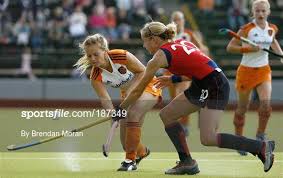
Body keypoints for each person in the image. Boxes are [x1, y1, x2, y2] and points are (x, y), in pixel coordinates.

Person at [118, 21, 275, 175]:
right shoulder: (181, 42)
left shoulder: (158, 58)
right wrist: (173, 79)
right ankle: (187, 162)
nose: (144, 46)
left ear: (153, 39)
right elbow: (199, 66)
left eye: (145, 41)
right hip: (202, 83)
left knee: (208, 138)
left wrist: (121, 108)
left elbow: (139, 89)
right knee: (167, 115)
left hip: (215, 86)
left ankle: (260, 147)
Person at [74, 34, 162, 171]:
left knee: (132, 114)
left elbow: (142, 72)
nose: (92, 59)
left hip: (148, 85)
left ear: (105, 50)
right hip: (127, 96)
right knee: (126, 144)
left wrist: (130, 94)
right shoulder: (95, 76)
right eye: (89, 56)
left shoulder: (120, 56)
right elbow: (105, 99)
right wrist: (113, 114)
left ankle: (129, 162)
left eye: (96, 54)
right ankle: (142, 152)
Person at [226, 0, 283, 156]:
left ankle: (260, 134)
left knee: (265, 105)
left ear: (268, 12)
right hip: (246, 72)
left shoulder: (272, 29)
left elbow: (273, 42)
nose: (260, 14)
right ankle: (238, 139)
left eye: (263, 11)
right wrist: (249, 49)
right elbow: (230, 47)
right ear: (253, 12)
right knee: (242, 108)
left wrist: (280, 56)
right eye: (257, 11)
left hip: (264, 71)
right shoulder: (246, 29)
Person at [158, 11, 209, 136]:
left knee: (180, 96)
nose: (176, 22)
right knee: (174, 101)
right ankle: (183, 122)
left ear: (183, 21)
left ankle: (184, 126)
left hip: (184, 72)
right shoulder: (166, 36)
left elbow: (203, 49)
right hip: (169, 72)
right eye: (174, 20)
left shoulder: (189, 34)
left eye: (179, 19)